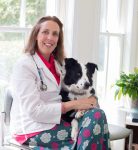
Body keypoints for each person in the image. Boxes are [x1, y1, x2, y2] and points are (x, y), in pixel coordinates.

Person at [10, 16, 111, 150]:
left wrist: (89, 100)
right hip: (33, 129)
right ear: (36, 35)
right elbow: (35, 111)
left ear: (58, 39)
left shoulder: (58, 64)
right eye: (45, 32)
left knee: (97, 114)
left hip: (57, 121)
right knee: (94, 128)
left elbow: (74, 89)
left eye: (55, 34)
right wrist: (76, 104)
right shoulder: (24, 65)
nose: (50, 38)